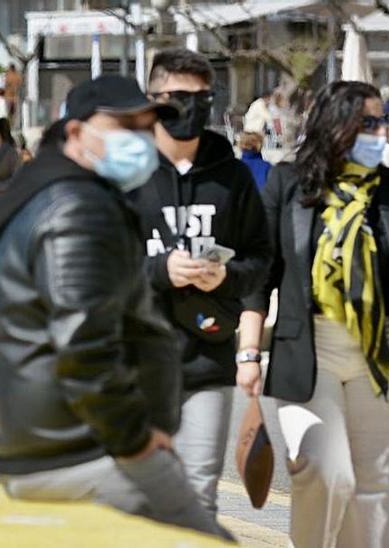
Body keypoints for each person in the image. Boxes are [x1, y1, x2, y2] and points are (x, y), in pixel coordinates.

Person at [0, 75, 231, 540]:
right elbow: (83, 341)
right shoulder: (79, 208)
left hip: (43, 445)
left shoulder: (38, 194)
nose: (139, 139)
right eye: (124, 125)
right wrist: (135, 440)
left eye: (146, 126)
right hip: (90, 451)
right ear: (75, 132)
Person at [241, 81, 389, 548]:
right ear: (337, 127)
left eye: (382, 122)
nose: (381, 131)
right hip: (310, 350)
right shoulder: (288, 183)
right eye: (369, 123)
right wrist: (249, 353)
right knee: (325, 470)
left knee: (376, 488)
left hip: (384, 354)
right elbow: (262, 273)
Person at [131, 49, 272, 515]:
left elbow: (260, 262)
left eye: (201, 97)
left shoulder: (232, 178)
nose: (190, 107)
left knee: (199, 497)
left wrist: (225, 276)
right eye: (177, 97)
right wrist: (158, 270)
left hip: (208, 360)